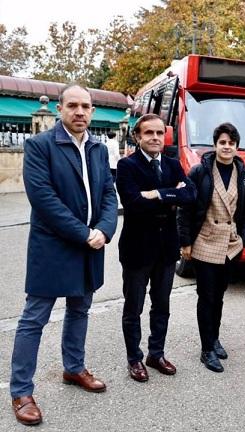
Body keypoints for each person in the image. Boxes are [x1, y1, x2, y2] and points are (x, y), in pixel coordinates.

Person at [10, 84, 118, 426]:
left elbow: (108, 195)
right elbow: (44, 199)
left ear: (93, 111)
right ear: (60, 109)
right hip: (54, 247)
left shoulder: (99, 149)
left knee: (80, 310)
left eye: (86, 106)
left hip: (91, 245)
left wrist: (105, 228)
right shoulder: (40, 146)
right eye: (72, 105)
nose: (80, 112)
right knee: (34, 319)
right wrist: (85, 233)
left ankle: (73, 369)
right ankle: (21, 391)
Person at [116, 114, 196, 382]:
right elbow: (133, 203)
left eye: (160, 133)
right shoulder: (126, 166)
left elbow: (191, 195)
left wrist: (157, 194)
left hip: (166, 249)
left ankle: (156, 353)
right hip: (137, 249)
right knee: (134, 307)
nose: (155, 138)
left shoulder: (174, 165)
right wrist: (171, 194)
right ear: (138, 136)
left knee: (161, 305)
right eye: (148, 133)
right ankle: (134, 359)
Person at [177, 122, 245, 373]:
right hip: (205, 241)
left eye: (231, 143)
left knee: (219, 295)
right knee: (207, 296)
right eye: (222, 142)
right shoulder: (199, 172)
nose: (226, 147)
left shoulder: (244, 175)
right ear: (215, 145)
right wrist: (185, 242)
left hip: (231, 244)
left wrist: (244, 237)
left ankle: (215, 338)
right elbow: (185, 209)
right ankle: (206, 349)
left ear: (236, 146)